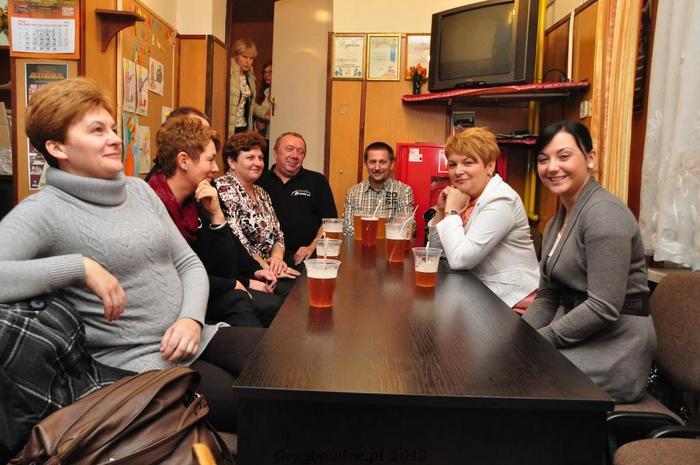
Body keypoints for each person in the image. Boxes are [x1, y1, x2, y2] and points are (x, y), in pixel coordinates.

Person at [0, 78, 263, 432]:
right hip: (140, 361)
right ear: (57, 146)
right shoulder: (44, 210)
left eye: (112, 128)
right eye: (97, 130)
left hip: (195, 334)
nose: (114, 138)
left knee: (286, 368)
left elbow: (188, 263)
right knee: (261, 408)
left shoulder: (138, 190)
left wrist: (190, 318)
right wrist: (78, 267)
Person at [523, 120, 656, 403]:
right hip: (579, 334)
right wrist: (520, 337)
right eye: (543, 159)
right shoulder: (557, 221)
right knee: (509, 362)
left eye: (564, 156)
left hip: (615, 347)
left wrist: (541, 342)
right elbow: (547, 296)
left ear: (590, 158)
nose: (552, 167)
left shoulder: (604, 214)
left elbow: (603, 306)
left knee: (521, 375)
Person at [148, 114, 283, 327]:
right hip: (173, 303)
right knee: (243, 302)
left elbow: (225, 265)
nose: (216, 169)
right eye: (210, 160)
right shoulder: (153, 203)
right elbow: (173, 276)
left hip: (208, 287)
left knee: (271, 304)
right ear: (183, 161)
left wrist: (217, 216)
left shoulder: (198, 198)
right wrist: (235, 283)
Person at [427, 127, 539, 309]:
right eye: (453, 165)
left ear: (490, 166)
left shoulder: (501, 199)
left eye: (468, 163)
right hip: (479, 292)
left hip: (511, 301)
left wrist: (452, 211)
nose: (458, 171)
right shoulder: (466, 196)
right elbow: (434, 253)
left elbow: (460, 260)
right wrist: (441, 210)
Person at [215, 131, 300, 283]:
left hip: (272, 266)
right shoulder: (223, 189)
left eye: (260, 158)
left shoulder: (261, 192)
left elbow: (278, 234)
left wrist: (277, 259)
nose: (258, 163)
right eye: (250, 158)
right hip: (247, 272)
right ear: (231, 162)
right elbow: (239, 241)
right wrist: (268, 269)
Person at [257, 132, 337, 266]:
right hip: (265, 259)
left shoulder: (317, 181)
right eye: (289, 149)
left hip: (305, 258)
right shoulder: (259, 181)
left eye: (300, 152)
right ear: (275, 152)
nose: (295, 156)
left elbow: (330, 221)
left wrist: (312, 246)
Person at [342, 141, 414, 235]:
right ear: (366, 164)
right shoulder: (353, 193)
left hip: (391, 245)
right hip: (360, 245)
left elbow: (407, 228)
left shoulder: (403, 191)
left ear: (392, 164)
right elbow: (347, 229)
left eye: (382, 162)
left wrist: (370, 234)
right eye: (372, 162)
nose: (377, 167)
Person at [228, 38, 267, 135]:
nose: (248, 62)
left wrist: (264, 112)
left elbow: (250, 103)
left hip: (243, 126)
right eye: (244, 57)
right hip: (229, 127)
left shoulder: (249, 75)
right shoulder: (228, 71)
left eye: (251, 58)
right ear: (236, 55)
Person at [254, 61, 272, 169]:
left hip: (275, 135)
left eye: (270, 72)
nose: (266, 75)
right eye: (265, 72)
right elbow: (255, 114)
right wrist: (257, 124)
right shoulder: (263, 93)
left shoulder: (281, 93)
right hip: (264, 137)